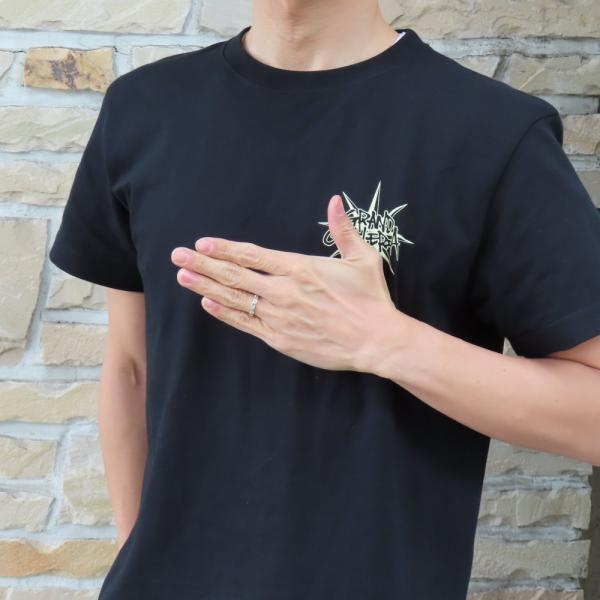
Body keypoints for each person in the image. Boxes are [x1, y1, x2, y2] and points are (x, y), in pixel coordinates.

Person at [49, 1, 600, 598]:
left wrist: (385, 342)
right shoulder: (144, 109)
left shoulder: (492, 132)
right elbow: (131, 367)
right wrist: (135, 559)